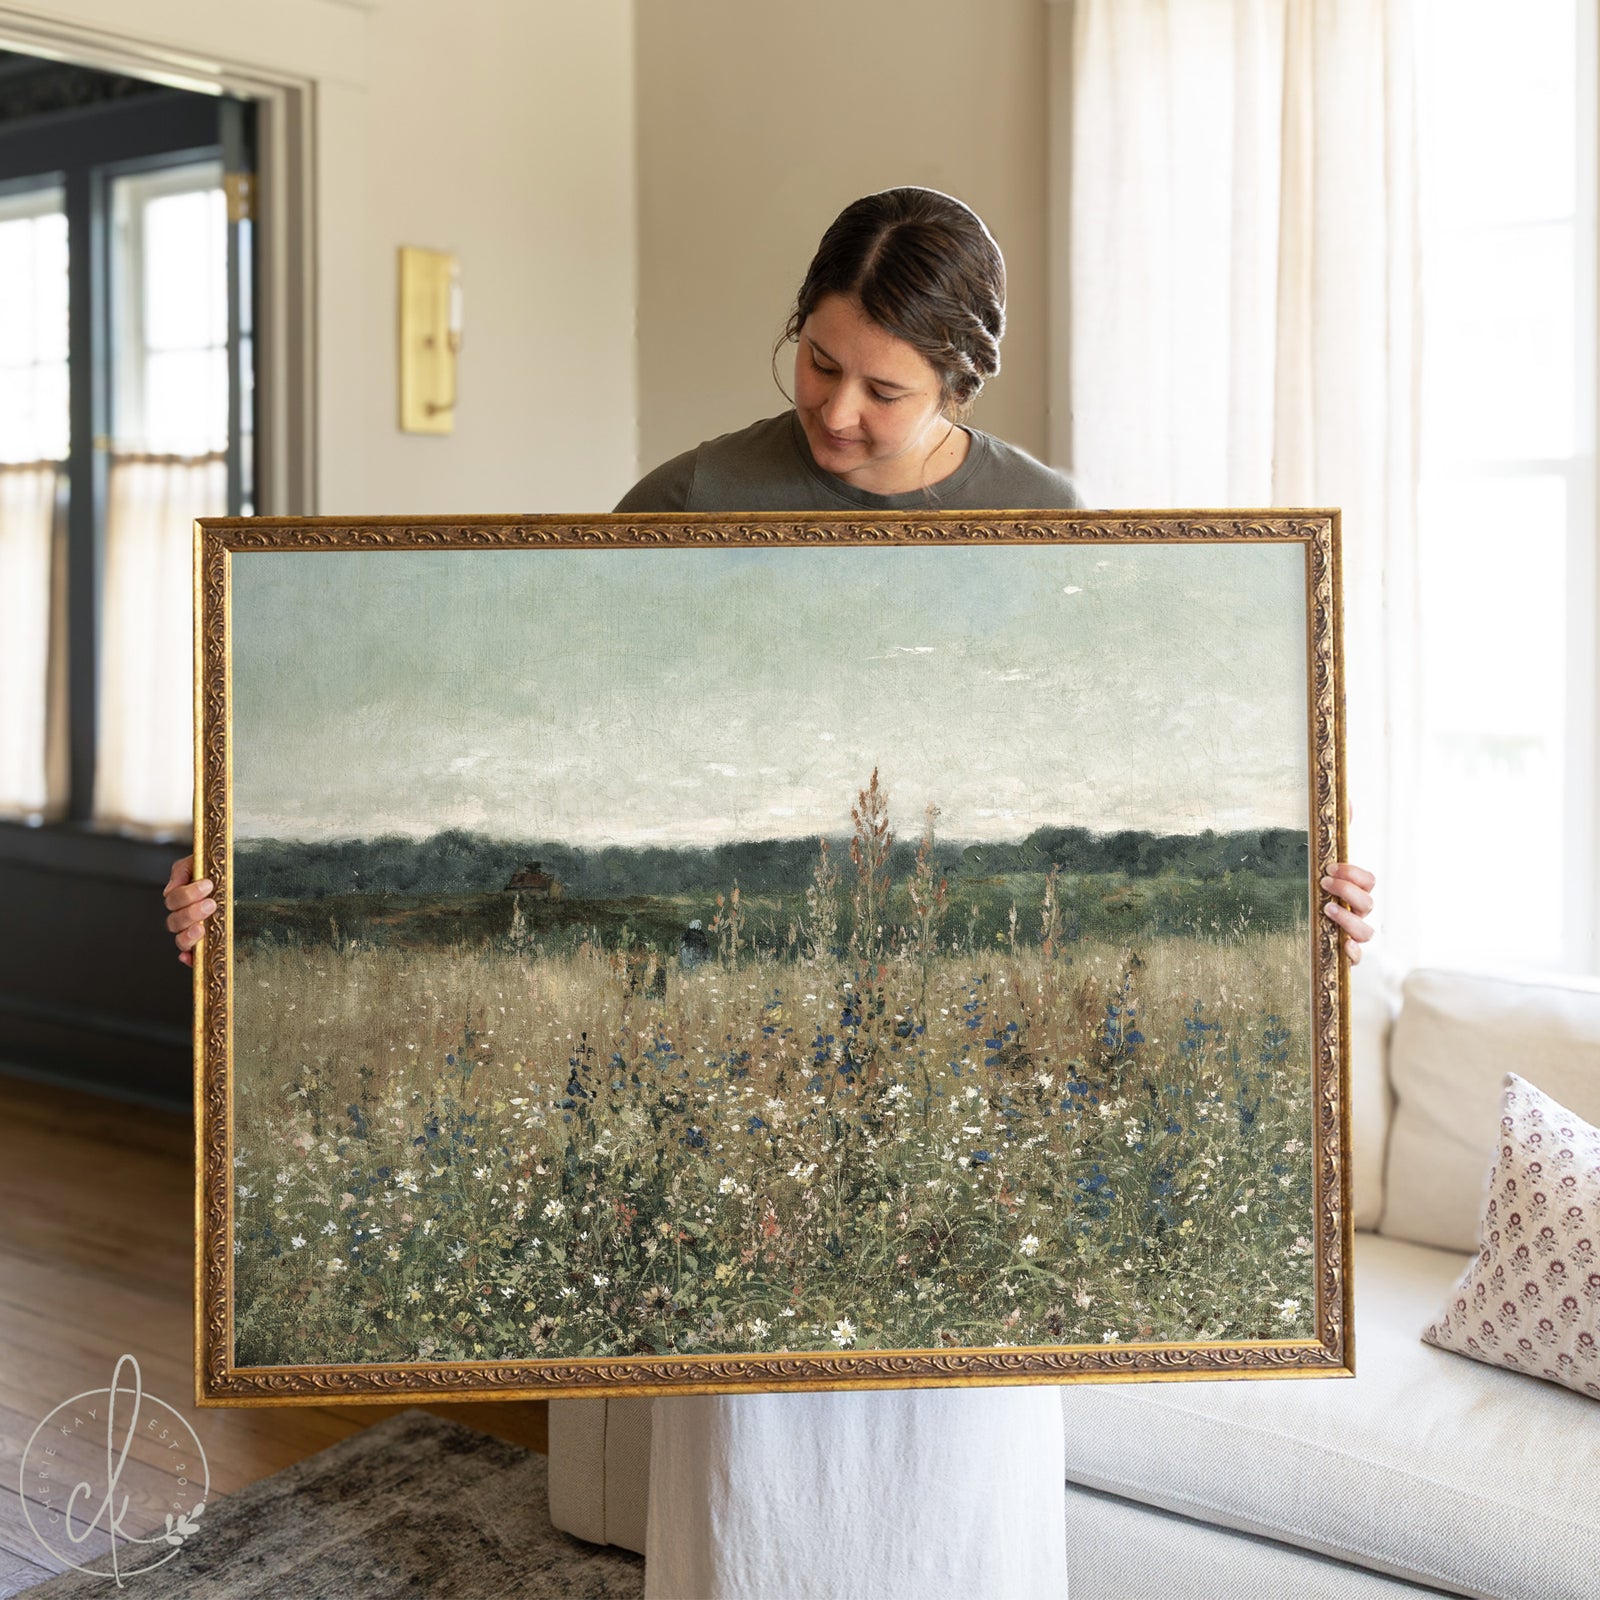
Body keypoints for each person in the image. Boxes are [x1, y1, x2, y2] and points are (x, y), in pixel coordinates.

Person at [164, 187, 1377, 1598]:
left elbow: (1189, 757)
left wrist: (1313, 890)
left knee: (956, 1508)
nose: (839, 412)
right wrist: (228, 872)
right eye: (818, 361)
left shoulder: (1050, 520)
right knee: (756, 1507)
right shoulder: (700, 494)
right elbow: (542, 654)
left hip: (959, 1086)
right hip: (761, 1105)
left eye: (886, 388)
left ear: (963, 383)